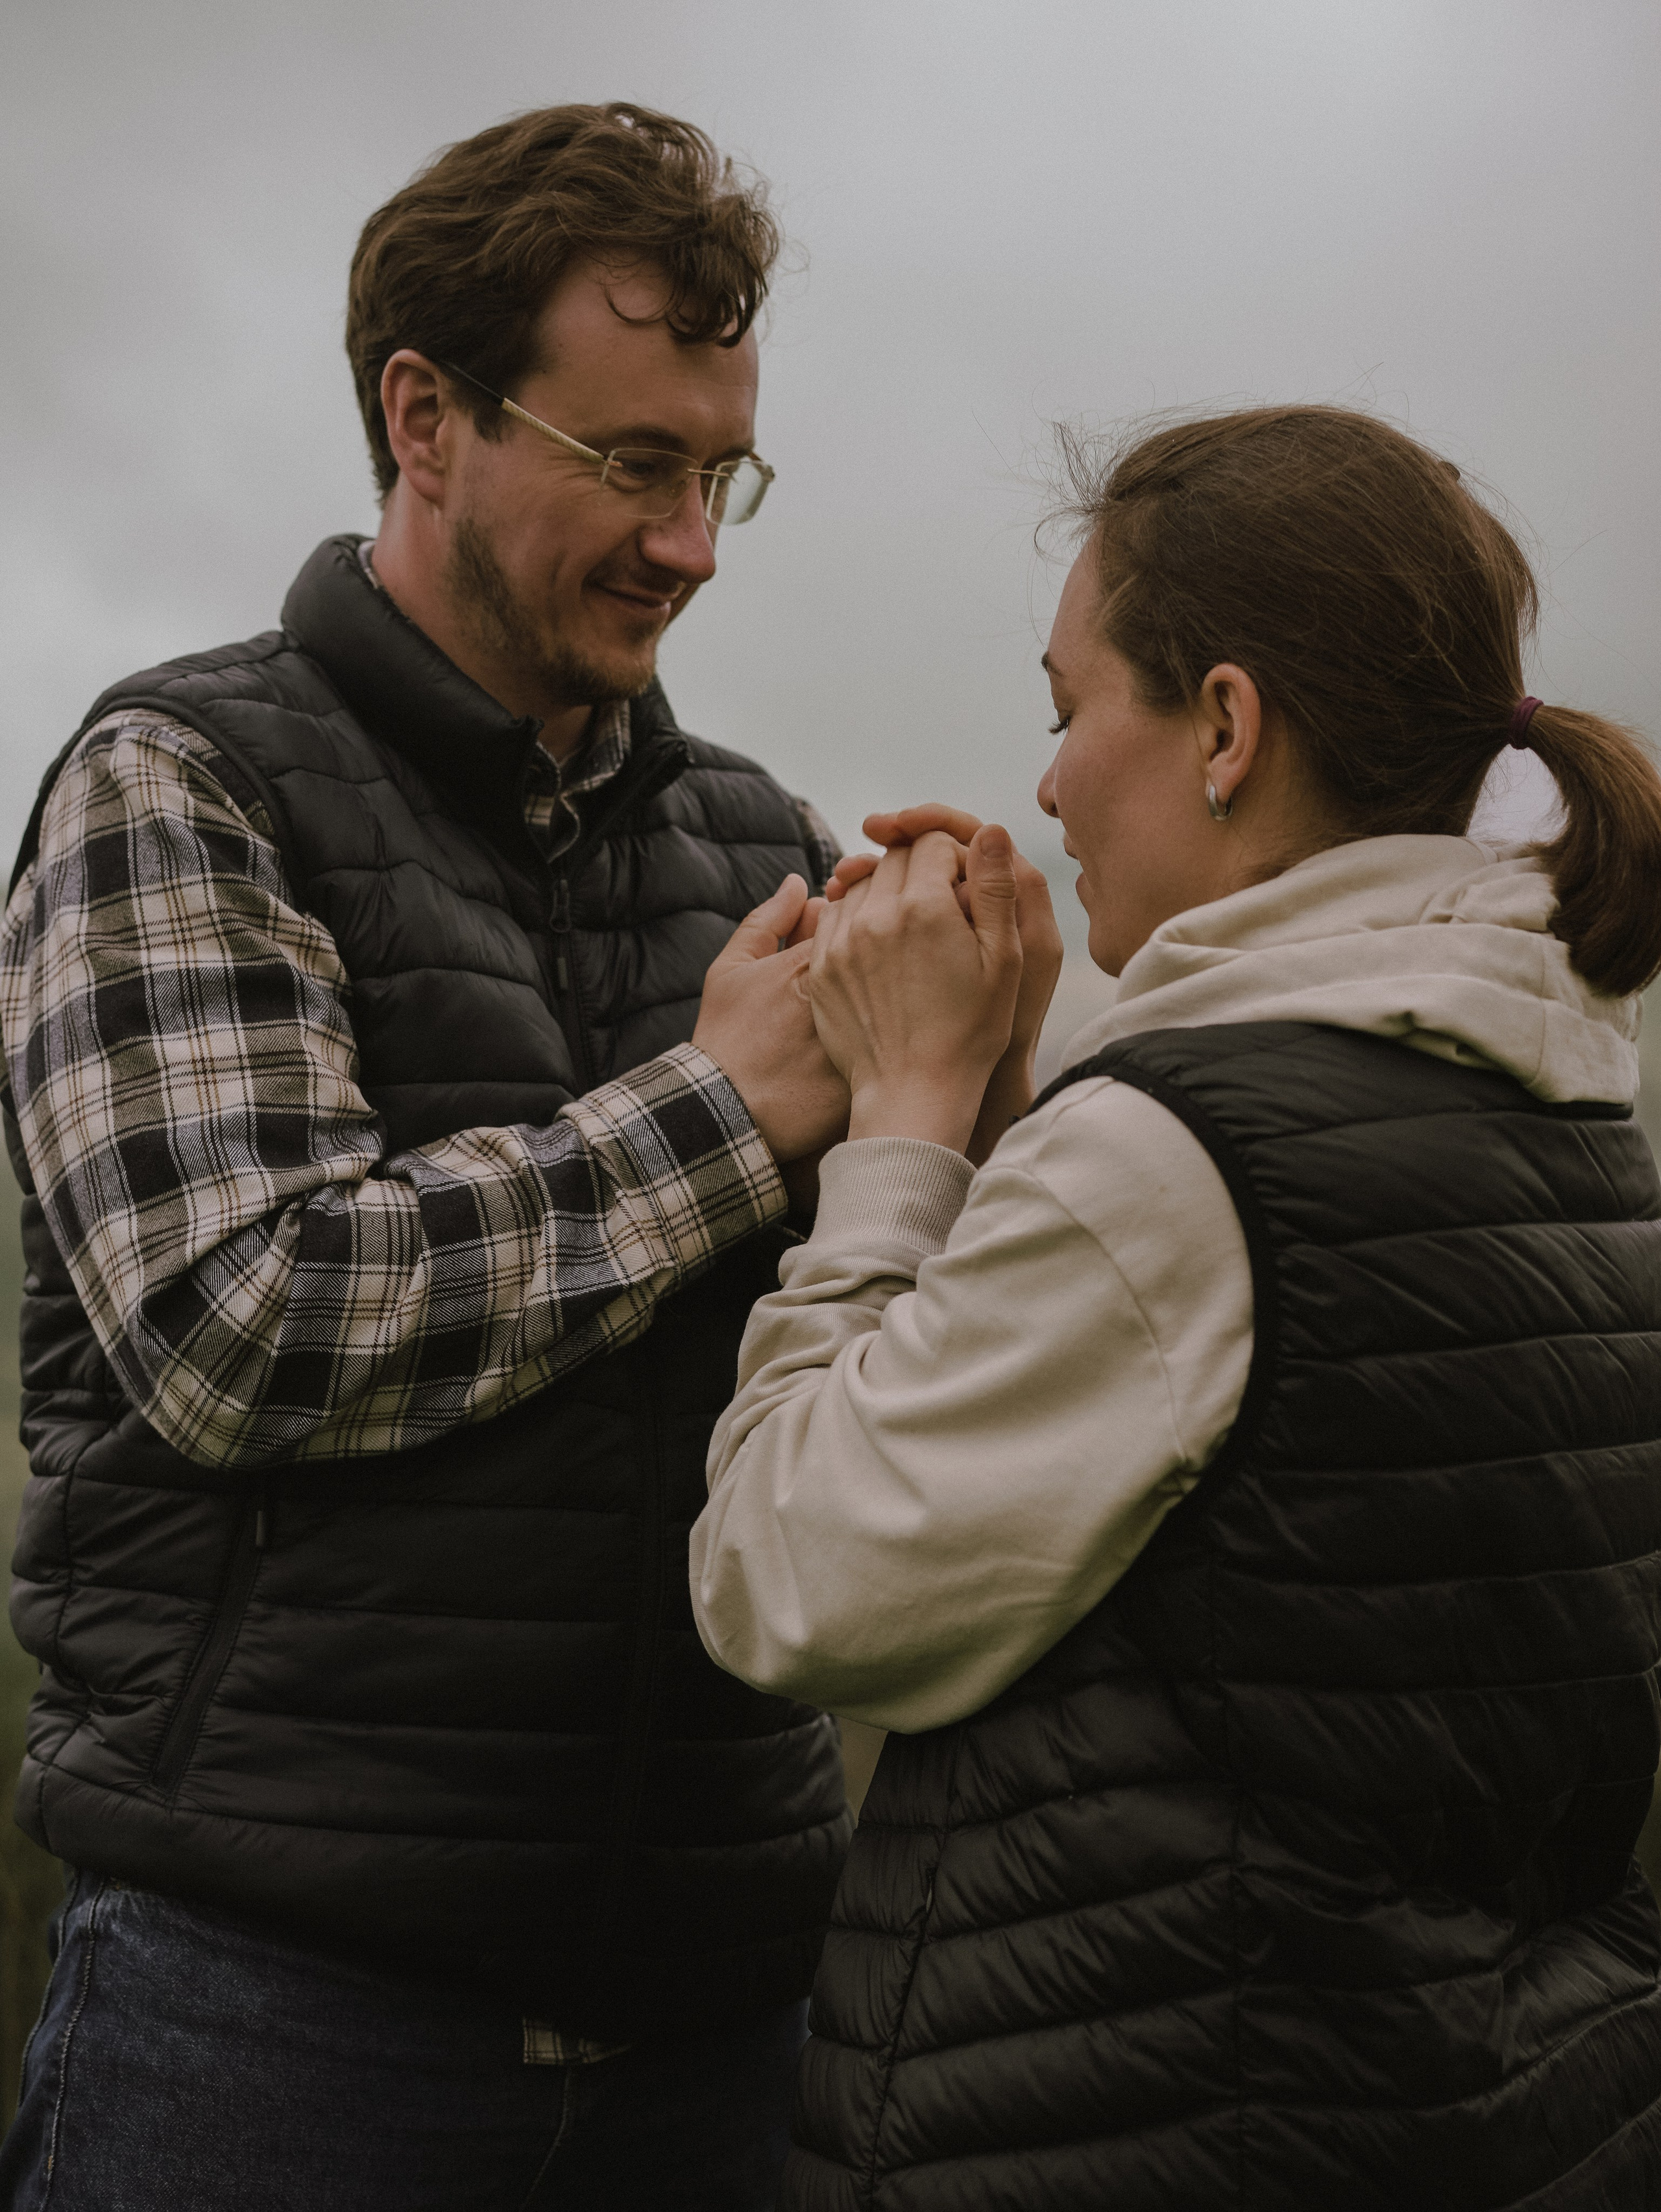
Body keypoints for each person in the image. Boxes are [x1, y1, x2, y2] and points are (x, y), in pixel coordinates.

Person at [0, 104, 855, 2211]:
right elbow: (235, 1319)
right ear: (425, 415)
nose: (695, 544)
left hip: (735, 2015)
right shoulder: (178, 779)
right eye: (634, 464)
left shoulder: (769, 848)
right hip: (283, 2021)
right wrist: (731, 1114)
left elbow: (863, 1378)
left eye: (720, 471)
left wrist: (970, 1107)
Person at [691, 405, 1661, 2207]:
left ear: (1224, 724)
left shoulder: (1174, 1160)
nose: (1048, 785)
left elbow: (789, 1572)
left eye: (1071, 711)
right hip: (1481, 2112)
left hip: (1151, 2120)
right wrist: (1015, 1098)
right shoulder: (1562, 1094)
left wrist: (903, 1119)